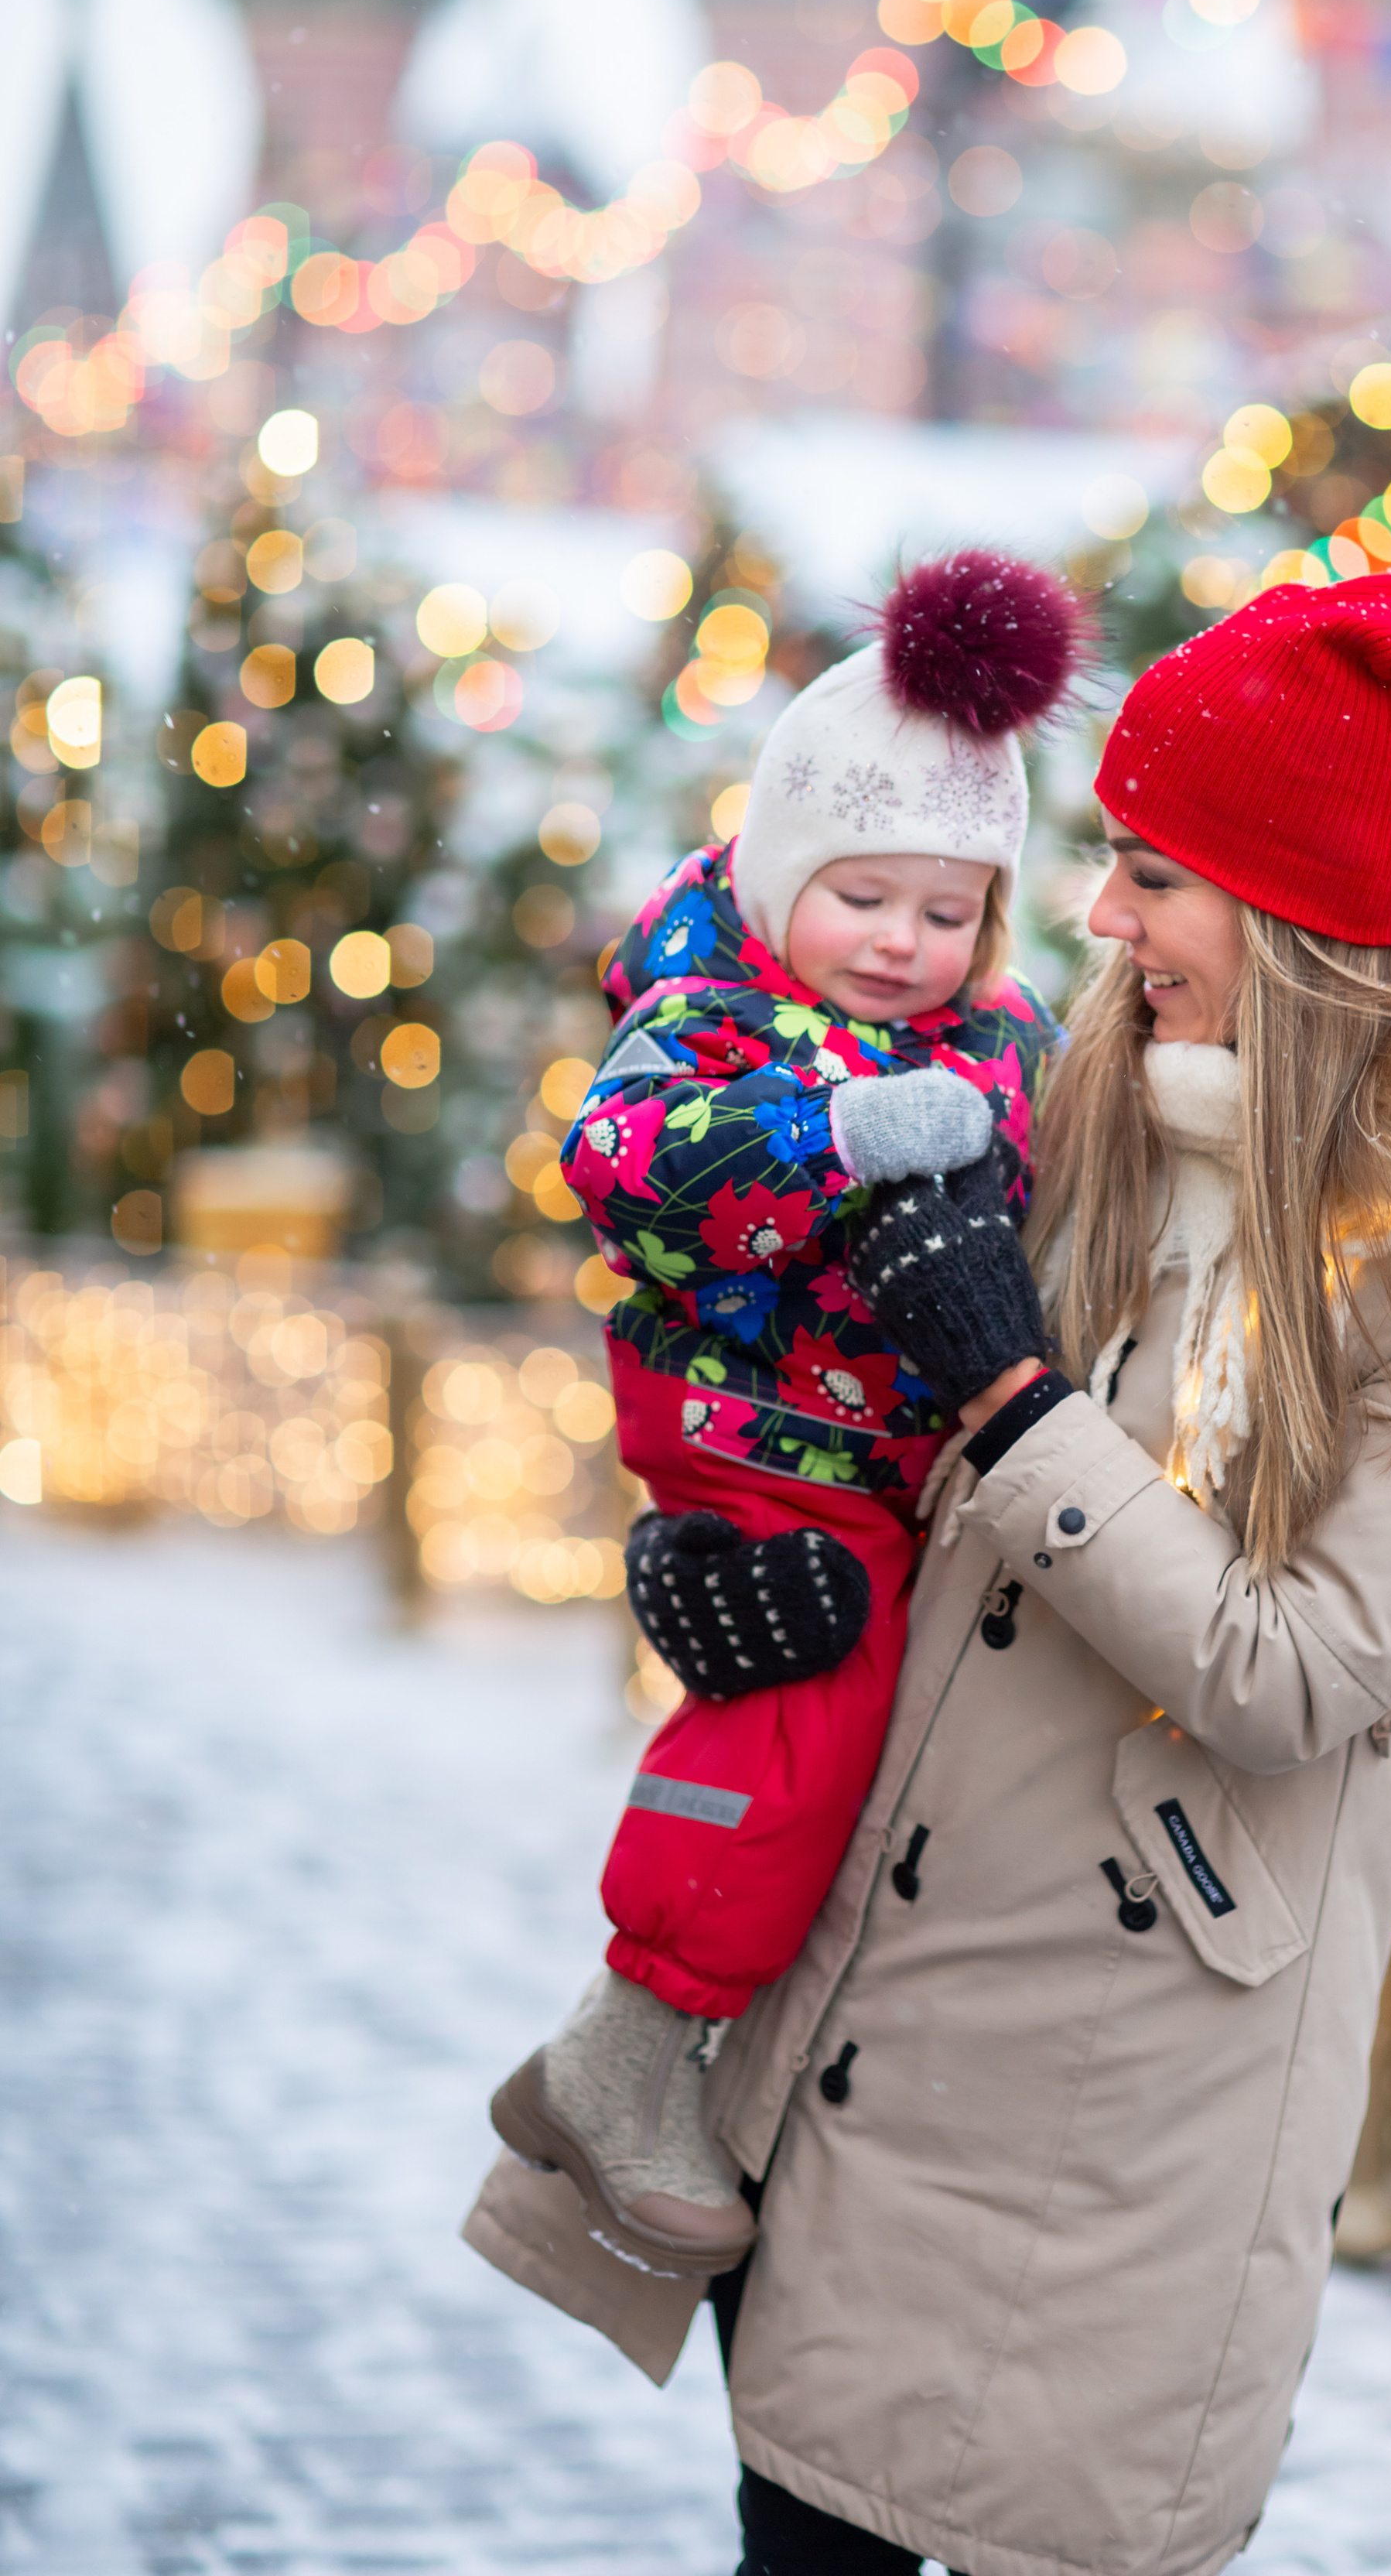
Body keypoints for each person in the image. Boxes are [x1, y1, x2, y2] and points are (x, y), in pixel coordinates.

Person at [696, 575, 1391, 2576]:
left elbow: (1294, 1676)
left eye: (1153, 876)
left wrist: (1014, 1403)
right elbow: (875, 1428)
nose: (1098, 917)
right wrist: (737, 1545)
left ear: (1286, 913)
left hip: (1122, 2099)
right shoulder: (1086, 1088)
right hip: (872, 2024)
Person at [488, 552, 1075, 2277]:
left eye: (946, 913)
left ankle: (700, 2050)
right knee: (804, 1712)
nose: (901, 943)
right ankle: (629, 2036)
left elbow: (1067, 1135)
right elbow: (629, 1164)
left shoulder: (1000, 1034)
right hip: (756, 1439)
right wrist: (842, 1133)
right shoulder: (712, 1018)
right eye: (862, 897)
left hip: (894, 1458)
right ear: (775, 879)